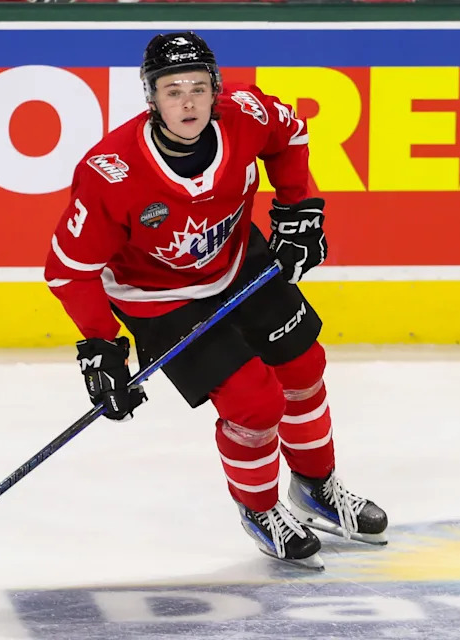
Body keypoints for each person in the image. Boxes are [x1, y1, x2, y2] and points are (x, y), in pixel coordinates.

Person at [44, 32, 387, 568]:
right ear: (151, 98)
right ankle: (260, 509)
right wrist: (100, 346)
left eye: (199, 88)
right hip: (158, 297)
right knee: (255, 403)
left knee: (304, 367)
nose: (187, 102)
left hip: (236, 259)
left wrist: (300, 208)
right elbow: (70, 270)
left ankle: (316, 487)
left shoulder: (245, 113)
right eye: (172, 89)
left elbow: (290, 133)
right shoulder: (111, 171)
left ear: (215, 92)